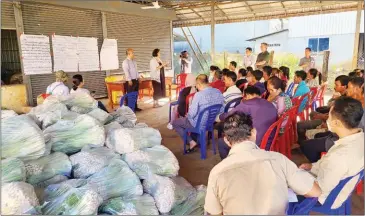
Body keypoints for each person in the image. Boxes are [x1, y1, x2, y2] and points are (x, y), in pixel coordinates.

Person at [205, 112, 321, 215]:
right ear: (254, 132)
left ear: (226, 140)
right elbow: (315, 192)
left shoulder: (217, 172)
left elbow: (215, 212)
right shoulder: (278, 159)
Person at [299, 96, 363, 209]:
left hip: (326, 197)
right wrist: (312, 166)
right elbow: (328, 165)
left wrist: (296, 183)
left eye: (329, 116)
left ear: (337, 123)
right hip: (338, 186)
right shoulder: (359, 138)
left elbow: (320, 190)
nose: (327, 119)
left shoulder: (339, 156)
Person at [217, 86, 277, 159]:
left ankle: (231, 164)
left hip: (256, 142)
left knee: (221, 142)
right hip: (269, 139)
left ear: (248, 95)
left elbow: (228, 116)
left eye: (245, 97)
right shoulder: (267, 102)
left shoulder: (247, 104)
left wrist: (218, 117)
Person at [172, 74, 224, 153]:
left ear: (199, 84)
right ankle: (196, 139)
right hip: (211, 123)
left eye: (196, 85)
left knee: (175, 123)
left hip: (198, 123)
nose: (196, 87)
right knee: (191, 118)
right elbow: (222, 110)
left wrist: (188, 115)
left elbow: (192, 114)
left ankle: (191, 142)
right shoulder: (218, 92)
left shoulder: (199, 95)